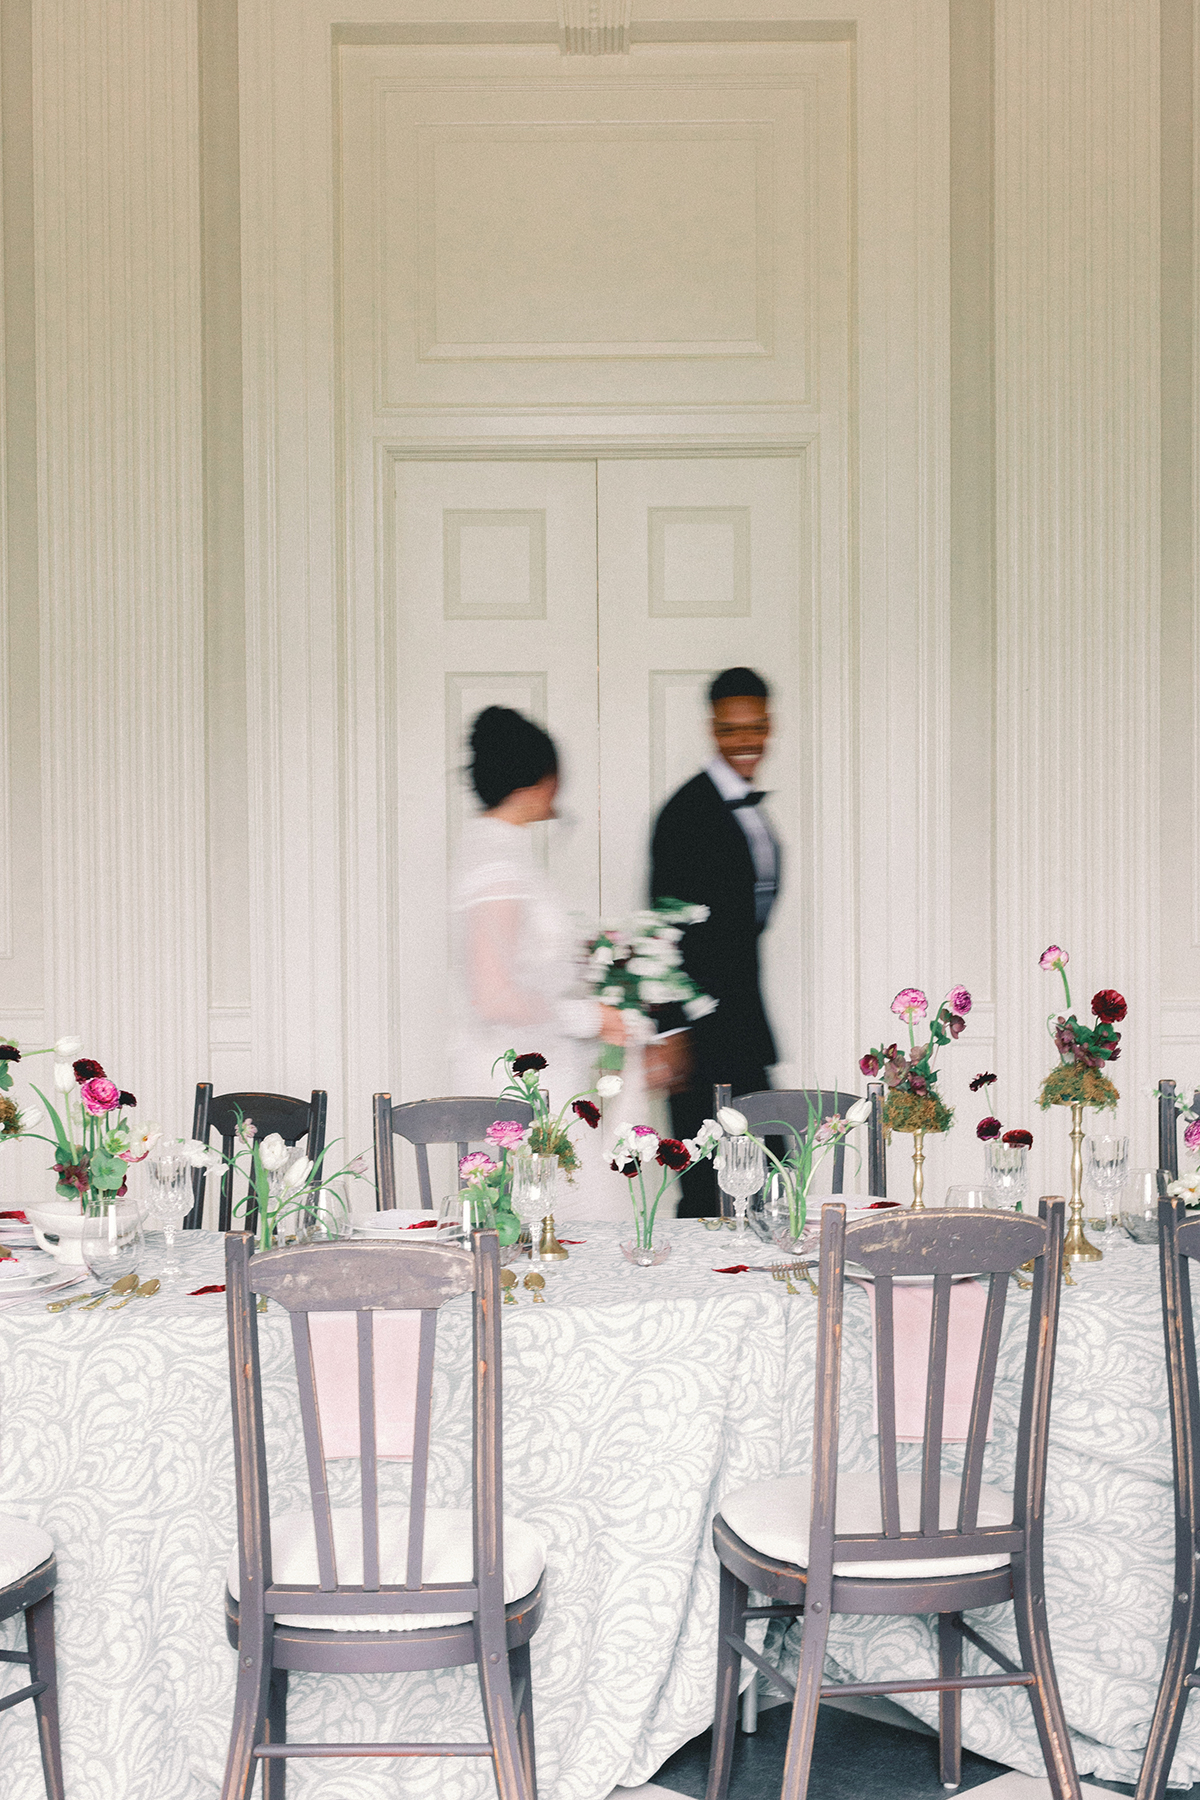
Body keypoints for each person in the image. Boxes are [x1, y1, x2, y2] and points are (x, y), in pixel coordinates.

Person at [449, 706, 628, 1217]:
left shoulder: (499, 847)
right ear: (542, 779)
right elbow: (492, 994)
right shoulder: (496, 858)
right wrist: (591, 1017)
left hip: (544, 1071)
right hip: (518, 1082)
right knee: (548, 1226)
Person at [648, 668, 780, 1215]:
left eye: (755, 728)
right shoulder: (686, 812)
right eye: (731, 730)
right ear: (712, 729)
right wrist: (671, 1031)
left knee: (768, 1185)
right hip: (702, 1044)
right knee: (709, 1196)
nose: (745, 742)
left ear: (770, 725)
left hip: (744, 1031)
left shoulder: (748, 808)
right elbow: (660, 930)